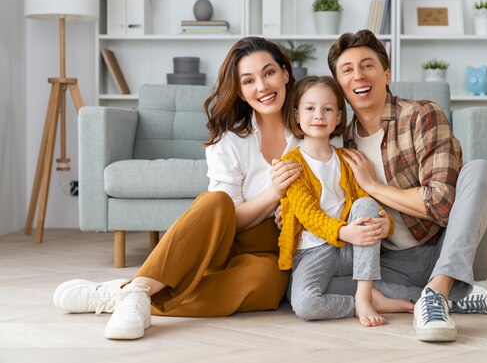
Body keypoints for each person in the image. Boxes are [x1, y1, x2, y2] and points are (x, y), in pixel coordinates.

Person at [53, 37, 364, 340]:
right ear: (241, 92)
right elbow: (230, 218)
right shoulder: (229, 141)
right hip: (226, 236)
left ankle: (129, 294)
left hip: (273, 246)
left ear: (285, 73)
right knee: (215, 202)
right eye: (248, 80)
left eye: (269, 73)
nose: (262, 87)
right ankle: (137, 290)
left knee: (269, 284)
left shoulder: (317, 127)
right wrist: (274, 193)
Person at [324, 29, 487, 342]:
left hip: (449, 247)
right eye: (347, 70)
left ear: (386, 74)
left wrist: (375, 187)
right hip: (392, 263)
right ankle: (456, 298)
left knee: (479, 170)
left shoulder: (422, 115)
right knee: (311, 287)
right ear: (339, 85)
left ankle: (438, 293)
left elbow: (441, 204)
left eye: (367, 65)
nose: (358, 76)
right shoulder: (340, 142)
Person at [277, 76, 415, 327]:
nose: (319, 115)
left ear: (339, 117)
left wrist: (386, 225)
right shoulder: (292, 165)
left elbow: (367, 201)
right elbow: (308, 215)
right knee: (304, 303)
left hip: (353, 249)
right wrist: (343, 232)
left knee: (366, 206)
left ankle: (364, 296)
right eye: (310, 108)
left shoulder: (348, 159)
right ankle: (368, 300)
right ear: (297, 115)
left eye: (328, 109)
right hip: (312, 251)